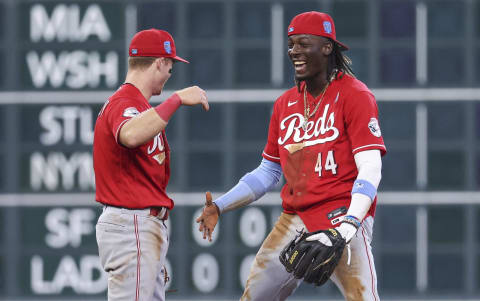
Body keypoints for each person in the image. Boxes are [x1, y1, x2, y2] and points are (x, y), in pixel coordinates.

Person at [196, 11, 386, 301]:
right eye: (291, 44)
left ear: (326, 47)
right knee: (254, 296)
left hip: (341, 216)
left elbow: (371, 166)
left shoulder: (354, 95)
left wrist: (349, 224)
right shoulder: (285, 104)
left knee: (364, 298)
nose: (293, 51)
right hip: (295, 217)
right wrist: (220, 206)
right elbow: (268, 172)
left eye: (302, 43)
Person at [94, 28, 209, 301]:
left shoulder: (139, 105)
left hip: (138, 226)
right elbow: (130, 134)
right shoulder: (125, 102)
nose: (171, 74)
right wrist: (177, 99)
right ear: (159, 62)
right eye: (170, 65)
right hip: (131, 223)